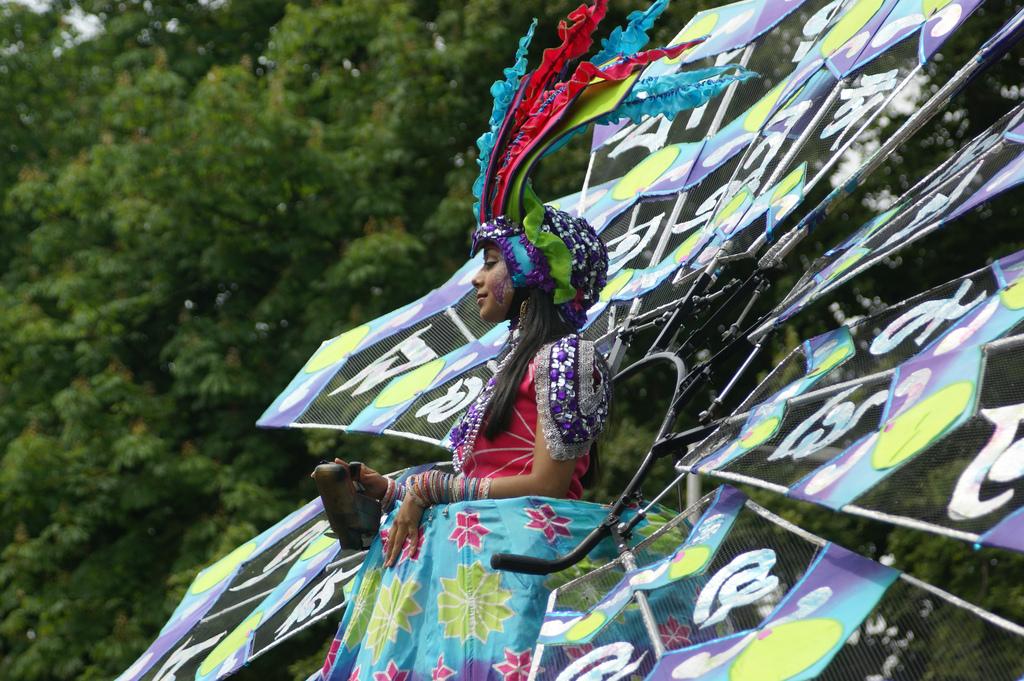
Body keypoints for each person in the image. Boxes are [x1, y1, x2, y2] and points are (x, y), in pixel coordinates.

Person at [312, 205, 614, 681]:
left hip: (521, 557)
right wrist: (396, 490)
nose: (476, 278)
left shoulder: (565, 356)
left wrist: (434, 489)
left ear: (530, 270)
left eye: (491, 261)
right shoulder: (514, 362)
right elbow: (484, 475)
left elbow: (549, 484)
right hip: (468, 557)